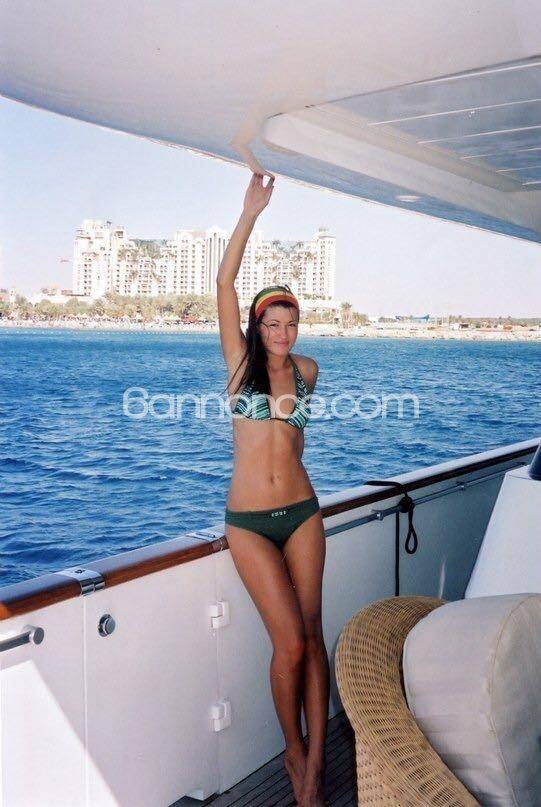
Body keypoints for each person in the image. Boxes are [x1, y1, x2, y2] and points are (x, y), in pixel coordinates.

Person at [216, 172, 330, 806]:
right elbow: (224, 284)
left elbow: (295, 446)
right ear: (257, 328)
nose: (282, 334)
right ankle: (293, 748)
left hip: (304, 514)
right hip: (250, 524)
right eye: (272, 324)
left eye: (290, 324)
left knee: (312, 637)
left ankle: (313, 772)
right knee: (287, 643)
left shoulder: (308, 371)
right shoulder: (240, 364)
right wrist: (249, 213)